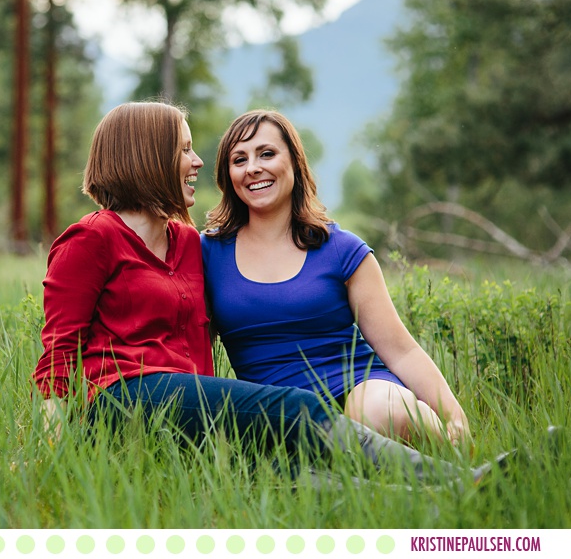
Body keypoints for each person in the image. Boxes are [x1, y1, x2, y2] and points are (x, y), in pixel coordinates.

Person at [33, 101, 493, 484]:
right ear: (148, 158)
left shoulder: (189, 244)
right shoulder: (94, 239)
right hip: (125, 395)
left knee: (278, 473)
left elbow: (198, 337)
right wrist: (52, 454)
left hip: (193, 402)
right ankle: (458, 481)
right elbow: (58, 352)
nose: (197, 163)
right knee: (297, 409)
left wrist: (455, 416)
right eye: (186, 151)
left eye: (266, 154)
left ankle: (436, 501)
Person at [202, 109, 469, 447]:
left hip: (362, 388)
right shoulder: (208, 252)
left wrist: (456, 417)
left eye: (267, 153)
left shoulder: (341, 249)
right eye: (239, 159)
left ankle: (457, 450)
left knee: (379, 413)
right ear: (228, 175)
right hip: (278, 412)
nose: (253, 167)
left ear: (295, 163)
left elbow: (400, 351)